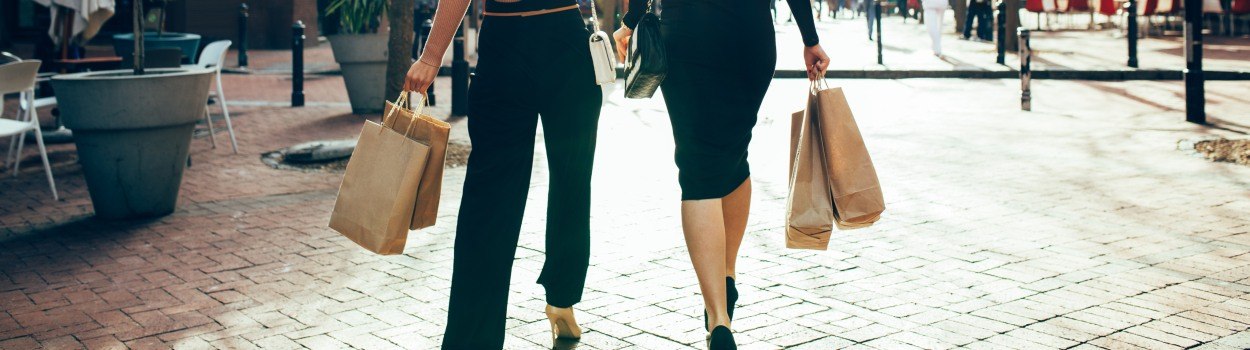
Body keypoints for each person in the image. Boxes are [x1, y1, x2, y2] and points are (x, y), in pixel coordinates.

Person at [612, 0, 829, 348]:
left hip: (686, 33)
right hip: (749, 34)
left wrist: (632, 21)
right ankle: (726, 274)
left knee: (697, 168)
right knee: (732, 153)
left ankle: (718, 319)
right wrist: (810, 38)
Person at [403, 0, 603, 347]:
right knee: (564, 182)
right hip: (553, 42)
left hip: (517, 41)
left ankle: (475, 338)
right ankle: (560, 298)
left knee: (493, 202)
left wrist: (432, 55)